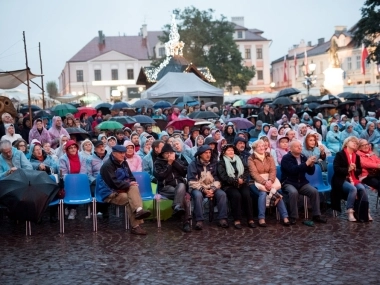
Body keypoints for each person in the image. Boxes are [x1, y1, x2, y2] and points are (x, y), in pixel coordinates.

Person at [98, 145, 151, 235]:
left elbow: (131, 177)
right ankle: (136, 226)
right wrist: (128, 184)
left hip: (123, 189)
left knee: (133, 187)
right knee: (129, 199)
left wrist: (131, 183)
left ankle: (139, 210)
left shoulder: (124, 163)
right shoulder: (107, 166)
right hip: (110, 192)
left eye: (123, 153)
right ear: (114, 153)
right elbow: (112, 183)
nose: (123, 155)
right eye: (120, 153)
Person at [280, 140, 327, 225]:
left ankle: (317, 215)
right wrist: (306, 164)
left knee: (314, 191)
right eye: (297, 146)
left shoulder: (303, 157)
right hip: (288, 182)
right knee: (293, 192)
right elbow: (293, 170)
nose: (299, 148)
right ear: (290, 149)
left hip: (302, 182)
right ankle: (293, 216)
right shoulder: (286, 158)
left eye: (300, 146)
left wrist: (311, 165)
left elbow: (310, 172)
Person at [248, 140, 290, 226]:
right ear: (254, 148)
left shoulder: (269, 156)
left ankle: (285, 217)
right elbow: (254, 173)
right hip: (256, 181)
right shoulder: (251, 158)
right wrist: (264, 182)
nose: (261, 148)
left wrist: (270, 180)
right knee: (263, 194)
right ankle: (261, 218)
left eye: (263, 146)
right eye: (259, 146)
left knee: (276, 193)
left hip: (270, 180)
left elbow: (273, 170)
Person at [187, 145, 228, 230]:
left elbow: (218, 179)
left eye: (209, 152)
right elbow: (192, 181)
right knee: (198, 196)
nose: (208, 155)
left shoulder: (214, 163)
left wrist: (212, 189)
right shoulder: (193, 164)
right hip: (198, 187)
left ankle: (222, 218)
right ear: (200, 154)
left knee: (222, 194)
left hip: (212, 187)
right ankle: (199, 220)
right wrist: (204, 190)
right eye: (206, 153)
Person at [331, 136, 370, 222]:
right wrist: (348, 169)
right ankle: (350, 212)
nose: (354, 143)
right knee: (353, 189)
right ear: (347, 143)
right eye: (352, 141)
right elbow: (336, 169)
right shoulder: (339, 154)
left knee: (362, 188)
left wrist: (355, 169)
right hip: (341, 179)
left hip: (353, 178)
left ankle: (365, 211)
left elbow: (359, 171)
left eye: (356, 143)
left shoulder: (357, 156)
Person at [154, 143, 191, 232]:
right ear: (162, 154)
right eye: (167, 153)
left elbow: (184, 171)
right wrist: (169, 164)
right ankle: (186, 222)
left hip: (179, 187)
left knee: (181, 186)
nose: (169, 155)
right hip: (165, 188)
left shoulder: (177, 160)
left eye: (171, 153)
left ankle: (177, 206)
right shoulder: (158, 163)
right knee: (183, 197)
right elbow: (160, 176)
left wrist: (174, 162)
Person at [217, 144, 254, 229]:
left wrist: (242, 179)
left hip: (242, 183)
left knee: (246, 194)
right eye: (229, 150)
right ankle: (237, 219)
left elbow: (246, 170)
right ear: (224, 152)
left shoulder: (239, 159)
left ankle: (250, 219)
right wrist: (235, 180)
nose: (231, 152)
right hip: (229, 185)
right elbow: (223, 176)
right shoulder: (221, 162)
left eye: (232, 150)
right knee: (236, 195)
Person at [59, 140, 86, 220]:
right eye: (70, 148)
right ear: (67, 150)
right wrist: (72, 180)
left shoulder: (82, 158)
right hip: (67, 181)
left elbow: (83, 171)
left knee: (76, 186)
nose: (73, 149)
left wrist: (78, 180)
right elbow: (63, 173)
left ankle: (72, 209)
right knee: (72, 186)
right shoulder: (62, 159)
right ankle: (70, 207)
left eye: (74, 147)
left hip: (79, 180)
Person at [84, 140, 110, 218]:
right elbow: (88, 174)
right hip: (95, 181)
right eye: (99, 147)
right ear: (95, 149)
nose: (101, 148)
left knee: (109, 189)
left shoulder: (110, 157)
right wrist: (95, 181)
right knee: (95, 189)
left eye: (102, 146)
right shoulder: (90, 159)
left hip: (108, 180)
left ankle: (104, 209)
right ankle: (101, 209)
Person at [357, 139, 380, 218]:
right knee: (378, 184)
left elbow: (378, 161)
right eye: (363, 145)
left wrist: (377, 165)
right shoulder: (358, 154)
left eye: (367, 144)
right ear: (359, 147)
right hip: (365, 176)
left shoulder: (372, 153)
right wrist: (376, 166)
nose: (366, 146)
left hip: (376, 173)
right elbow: (363, 164)